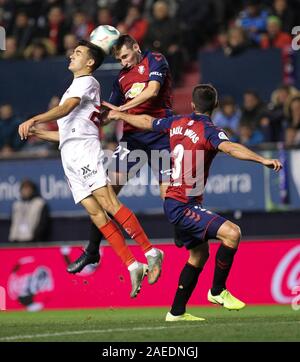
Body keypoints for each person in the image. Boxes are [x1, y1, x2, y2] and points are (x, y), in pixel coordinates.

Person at [107, 84, 282, 321]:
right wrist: (262, 159)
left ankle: (176, 312)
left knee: (199, 255)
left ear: (192, 104)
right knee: (232, 234)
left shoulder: (177, 122)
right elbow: (229, 148)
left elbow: (148, 122)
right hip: (182, 205)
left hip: (174, 200)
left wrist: (120, 115)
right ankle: (218, 291)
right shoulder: (209, 130)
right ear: (216, 106)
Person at [18, 39, 163, 298]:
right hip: (70, 156)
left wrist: (34, 118)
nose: (72, 56)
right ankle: (133, 264)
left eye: (78, 52)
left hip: (85, 151)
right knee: (96, 213)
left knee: (109, 202)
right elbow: (66, 134)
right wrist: (38, 132)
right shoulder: (73, 86)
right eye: (72, 52)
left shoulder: (87, 82)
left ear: (90, 62)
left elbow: (66, 109)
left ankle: (151, 251)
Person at [67, 34, 173, 274]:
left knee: (170, 202)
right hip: (132, 140)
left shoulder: (155, 59)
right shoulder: (121, 78)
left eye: (125, 56)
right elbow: (107, 113)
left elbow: (153, 91)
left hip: (160, 136)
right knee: (106, 196)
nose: (124, 62)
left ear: (136, 47)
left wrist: (121, 110)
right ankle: (92, 250)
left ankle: (184, 238)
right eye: (120, 59)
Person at [9, 179, 50, 243]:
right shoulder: (16, 205)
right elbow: (12, 222)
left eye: (28, 188)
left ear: (33, 190)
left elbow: (43, 223)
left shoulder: (39, 203)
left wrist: (36, 237)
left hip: (33, 241)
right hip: (17, 240)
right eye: (24, 188)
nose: (26, 191)